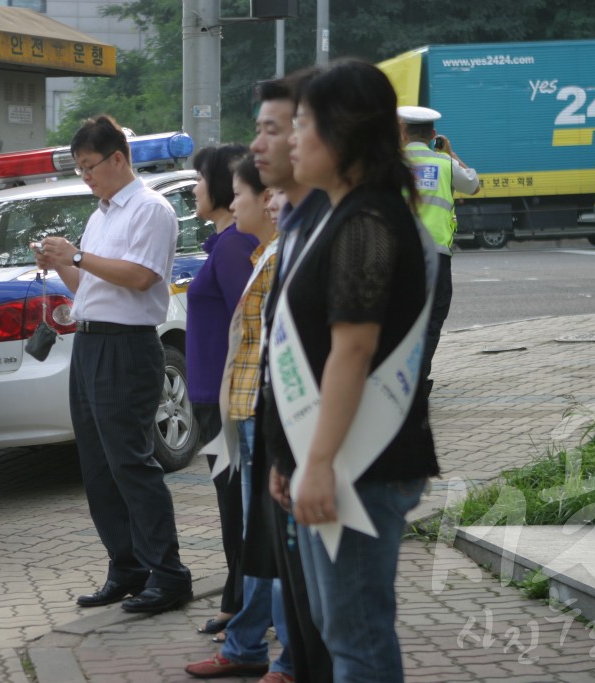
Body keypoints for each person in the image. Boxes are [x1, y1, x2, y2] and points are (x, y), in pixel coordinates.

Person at [272, 59, 440, 682]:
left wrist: (316, 463)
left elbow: (352, 351)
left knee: (357, 637)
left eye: (304, 124)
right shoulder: (339, 214)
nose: (291, 138)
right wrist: (295, 457)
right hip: (336, 457)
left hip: (361, 464)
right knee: (342, 628)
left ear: (341, 133)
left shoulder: (368, 221)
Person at [36, 114, 193, 614]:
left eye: (89, 166)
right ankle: (126, 568)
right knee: (98, 466)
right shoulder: (100, 214)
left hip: (127, 347)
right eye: (80, 168)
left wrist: (78, 256)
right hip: (89, 343)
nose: (85, 177)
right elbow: (91, 290)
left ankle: (168, 574)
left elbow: (142, 278)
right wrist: (61, 263)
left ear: (118, 158)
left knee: (130, 462)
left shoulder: (150, 209)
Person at [185, 155, 295, 683]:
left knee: (270, 540)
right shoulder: (262, 254)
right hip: (245, 409)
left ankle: (288, 655)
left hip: (262, 413)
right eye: (262, 193)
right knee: (258, 538)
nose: (260, 201)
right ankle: (248, 642)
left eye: (248, 194)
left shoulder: (272, 258)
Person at [243, 75, 334, 683]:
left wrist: (315, 461)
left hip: (331, 464)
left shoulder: (348, 225)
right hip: (294, 456)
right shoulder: (298, 226)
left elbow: (347, 353)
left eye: (276, 128)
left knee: (343, 633)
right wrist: (281, 458)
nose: (259, 145)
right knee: (305, 622)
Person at [186, 142, 256, 639]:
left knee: (235, 502)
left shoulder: (233, 246)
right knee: (230, 499)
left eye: (198, 179)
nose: (193, 188)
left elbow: (247, 321)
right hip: (211, 394)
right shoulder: (223, 243)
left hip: (225, 396)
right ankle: (241, 596)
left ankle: (240, 601)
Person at [399, 105, 479, 397]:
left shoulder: (389, 165)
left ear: (402, 133)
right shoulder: (444, 164)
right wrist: (450, 153)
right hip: (436, 255)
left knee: (402, 318)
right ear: (433, 135)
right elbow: (473, 186)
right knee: (432, 318)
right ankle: (418, 377)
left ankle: (403, 379)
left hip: (400, 255)